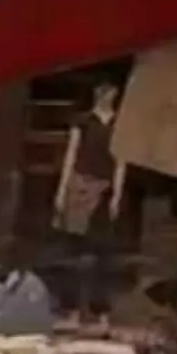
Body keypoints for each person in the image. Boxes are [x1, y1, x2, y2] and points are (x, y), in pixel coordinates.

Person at [52, 80, 127, 331]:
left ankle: (102, 315)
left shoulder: (120, 123)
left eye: (109, 89)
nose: (104, 94)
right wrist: (62, 190)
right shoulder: (83, 122)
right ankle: (72, 312)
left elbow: (121, 162)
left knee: (102, 256)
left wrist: (117, 194)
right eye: (101, 89)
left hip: (104, 191)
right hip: (80, 187)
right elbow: (71, 155)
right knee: (73, 254)